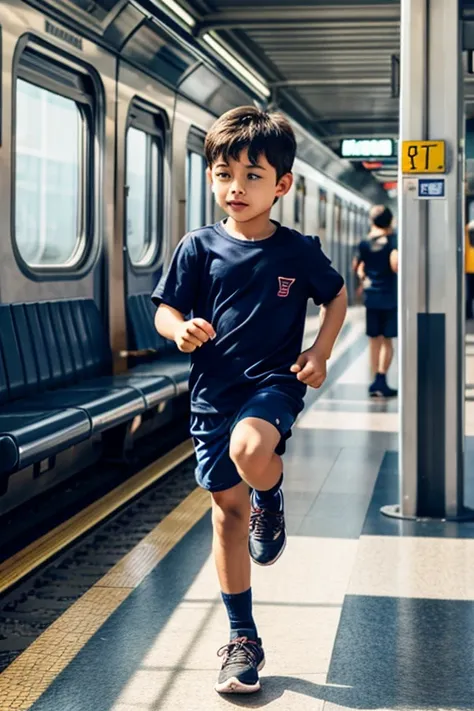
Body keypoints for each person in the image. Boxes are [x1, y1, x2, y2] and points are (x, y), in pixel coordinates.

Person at [152, 106, 347, 695]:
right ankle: (242, 639)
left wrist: (320, 352)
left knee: (251, 448)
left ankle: (271, 490)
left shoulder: (297, 251)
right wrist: (177, 329)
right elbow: (165, 308)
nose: (235, 187)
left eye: (252, 176)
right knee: (227, 517)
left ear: (282, 185)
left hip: (274, 381)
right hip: (213, 391)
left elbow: (335, 298)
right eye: (223, 174)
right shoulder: (197, 247)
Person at [356, 205, 398, 398]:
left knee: (374, 340)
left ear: (372, 222)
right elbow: (395, 265)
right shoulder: (392, 241)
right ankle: (382, 378)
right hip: (389, 296)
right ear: (390, 222)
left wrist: (364, 281)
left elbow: (358, 268)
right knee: (387, 340)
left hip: (371, 296)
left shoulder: (364, 243)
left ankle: (374, 381)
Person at [465, 220, 474, 320]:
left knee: (469, 293)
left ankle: (469, 313)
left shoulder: (467, 229)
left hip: (469, 267)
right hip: (469, 266)